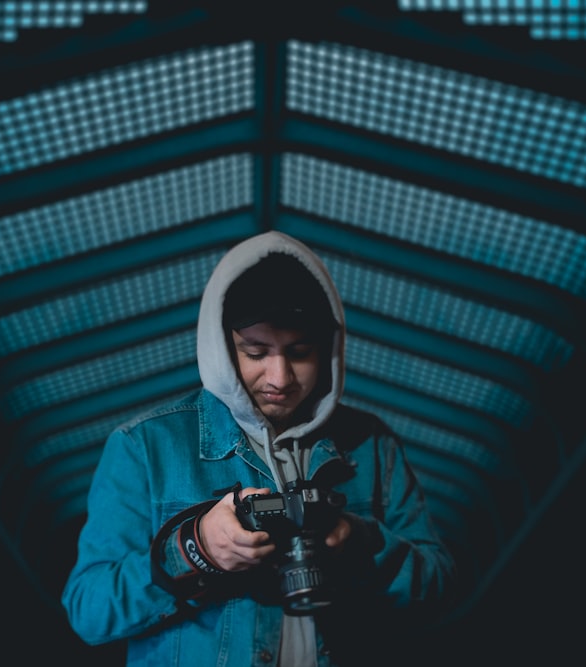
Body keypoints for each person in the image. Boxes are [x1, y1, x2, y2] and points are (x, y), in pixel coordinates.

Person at [62, 230, 456, 666]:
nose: (280, 378)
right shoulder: (145, 446)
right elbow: (89, 612)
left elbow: (440, 587)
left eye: (300, 351)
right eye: (256, 352)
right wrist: (197, 550)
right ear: (222, 348)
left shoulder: (371, 445)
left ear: (330, 348)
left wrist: (358, 543)